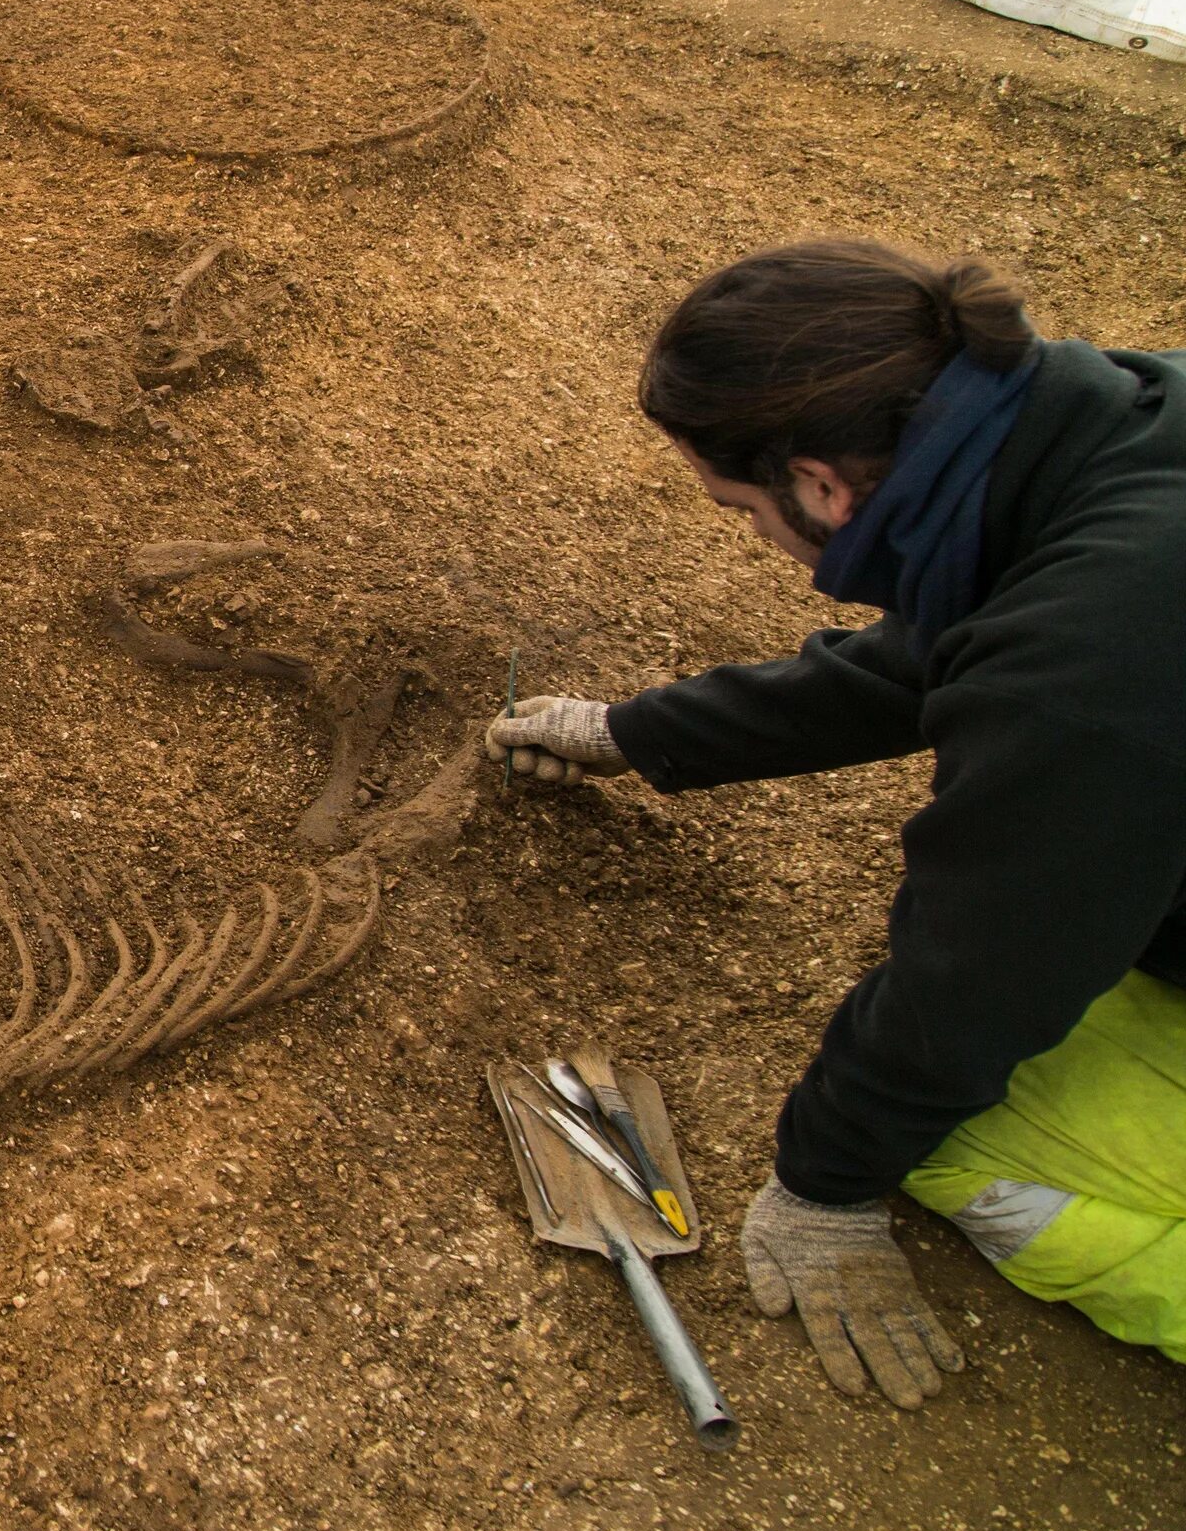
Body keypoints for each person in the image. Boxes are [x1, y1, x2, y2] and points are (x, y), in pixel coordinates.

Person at [490, 241, 1186, 1406]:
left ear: (822, 486)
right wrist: (643, 731)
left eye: (737, 505)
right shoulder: (1114, 433)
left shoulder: (1083, 672)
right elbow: (958, 638)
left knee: (964, 1136)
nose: (743, 528)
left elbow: (983, 980)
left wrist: (826, 1182)